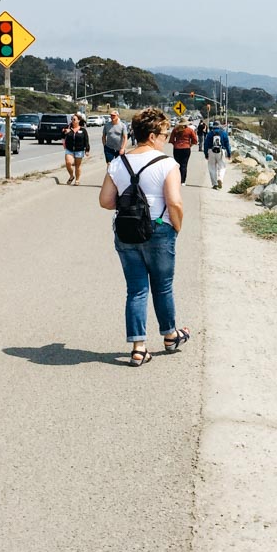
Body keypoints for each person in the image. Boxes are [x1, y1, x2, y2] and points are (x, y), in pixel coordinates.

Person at [98, 107, 188, 367]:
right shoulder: (167, 163)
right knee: (163, 286)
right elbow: (175, 204)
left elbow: (105, 201)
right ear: (151, 135)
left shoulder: (118, 162)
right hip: (160, 229)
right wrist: (176, 228)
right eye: (164, 133)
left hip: (126, 231)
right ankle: (170, 336)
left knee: (136, 290)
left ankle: (138, 348)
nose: (166, 139)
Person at [62, 113, 90, 185]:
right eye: (72, 119)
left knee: (78, 166)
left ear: (78, 121)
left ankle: (77, 180)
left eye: (74, 119)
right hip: (69, 149)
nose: (72, 120)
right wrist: (64, 131)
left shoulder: (83, 130)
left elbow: (86, 140)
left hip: (79, 150)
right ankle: (71, 176)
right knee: (68, 163)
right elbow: (62, 136)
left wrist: (87, 150)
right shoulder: (68, 128)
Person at [205, 121, 232, 189]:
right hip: (221, 151)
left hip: (211, 151)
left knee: (212, 167)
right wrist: (229, 154)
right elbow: (227, 144)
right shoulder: (223, 133)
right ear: (219, 126)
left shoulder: (210, 133)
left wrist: (206, 154)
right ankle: (220, 178)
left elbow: (206, 144)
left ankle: (215, 184)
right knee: (222, 166)